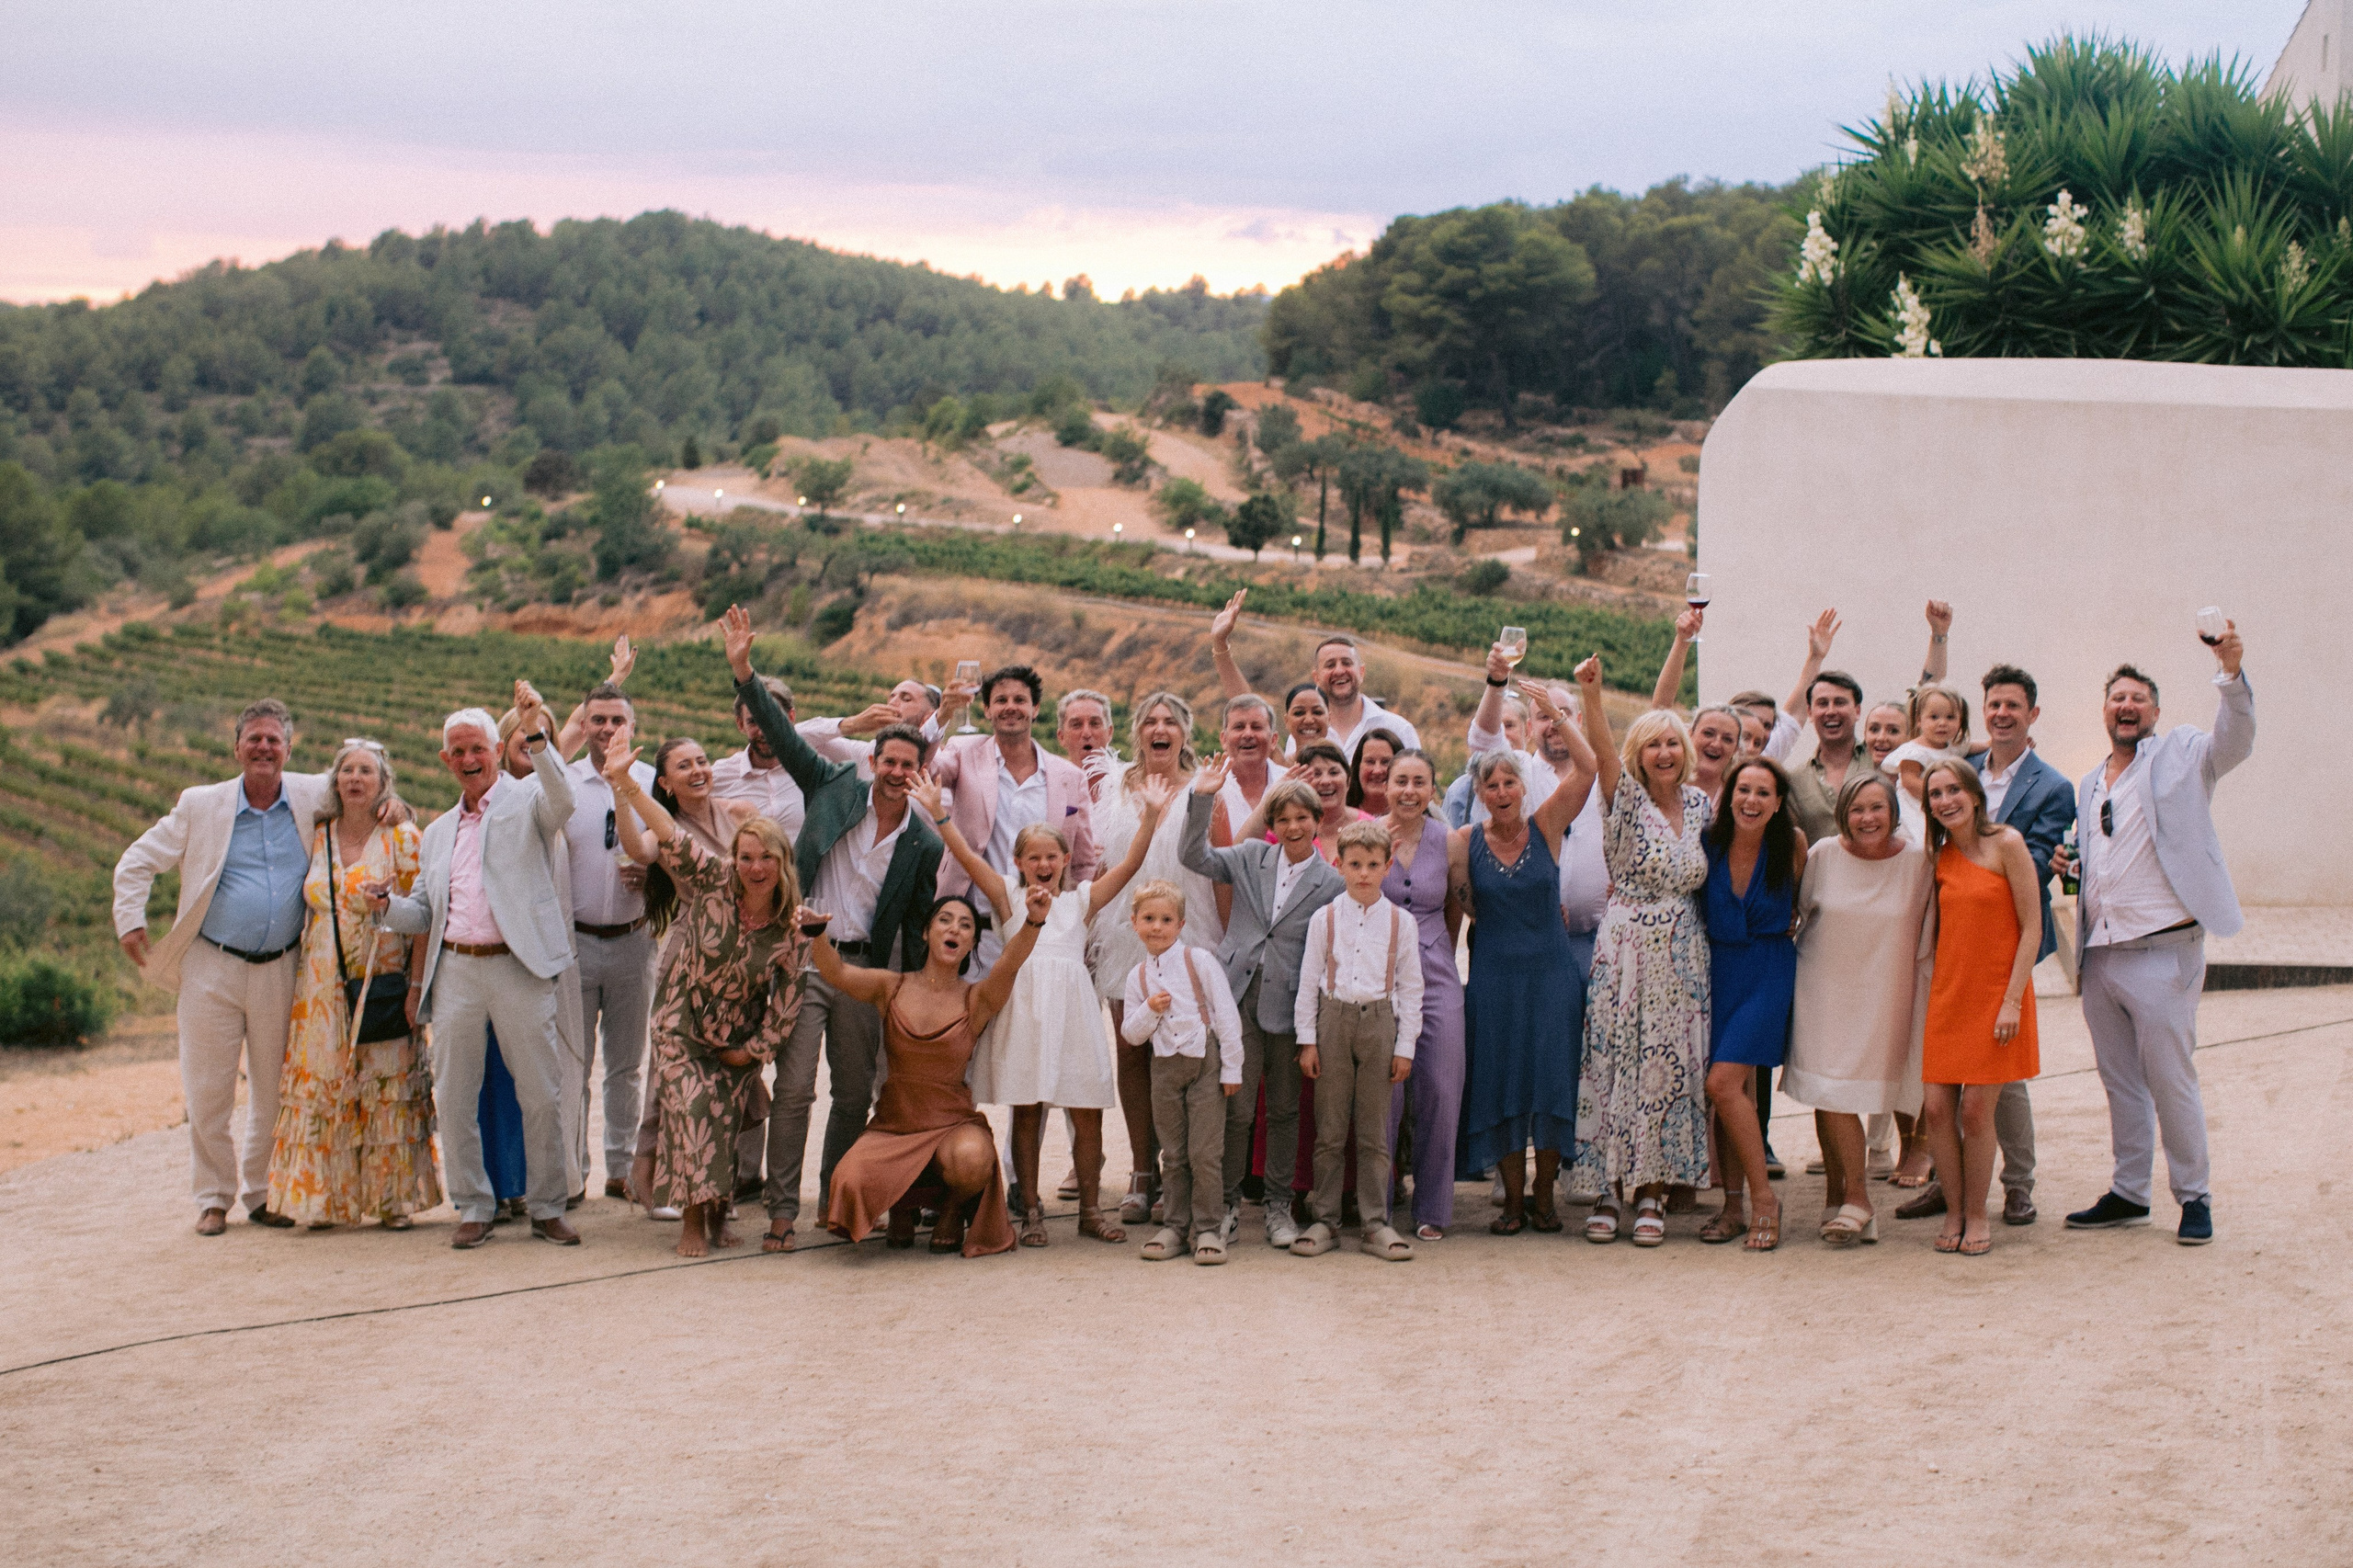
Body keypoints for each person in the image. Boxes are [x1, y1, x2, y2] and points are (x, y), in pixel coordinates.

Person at [722, 607, 943, 1255]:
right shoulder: (831, 783)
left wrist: (909, 991)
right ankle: (782, 1211)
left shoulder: (924, 844)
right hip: (804, 960)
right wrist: (744, 672)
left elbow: (917, 923)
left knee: (851, 1093)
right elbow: (784, 735)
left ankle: (835, 1202)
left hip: (862, 972)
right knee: (793, 1091)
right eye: (891, 761)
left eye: (911, 765)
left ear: (921, 772)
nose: (899, 772)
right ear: (874, 761)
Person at [918, 767, 1173, 1246]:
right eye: (1033, 856)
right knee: (1028, 1111)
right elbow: (967, 856)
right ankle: (1032, 1210)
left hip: (1073, 1012)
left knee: (1086, 1111)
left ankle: (1091, 1211)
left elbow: (1132, 865)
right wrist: (939, 814)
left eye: (1052, 856)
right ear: (1018, 861)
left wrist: (1152, 816)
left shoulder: (1082, 900)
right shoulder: (1005, 895)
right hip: (1025, 1014)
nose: (1043, 863)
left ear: (1065, 859)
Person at [115, 699, 342, 1234]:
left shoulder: (313, 793)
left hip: (284, 965)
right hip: (210, 967)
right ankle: (213, 1198)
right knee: (208, 1088)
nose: (264, 747)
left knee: (275, 1089)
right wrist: (130, 920)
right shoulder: (202, 804)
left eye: (274, 739)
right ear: (236, 747)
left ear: (290, 747)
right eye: (254, 738)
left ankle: (264, 1193)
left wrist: (395, 809)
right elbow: (138, 860)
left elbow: (369, 785)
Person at [2056, 630, 2251, 1247]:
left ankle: (2194, 1197)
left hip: (2164, 951)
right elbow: (2113, 855)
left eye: (2139, 697)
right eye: (2118, 696)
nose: (2127, 705)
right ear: (2104, 707)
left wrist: (2230, 673)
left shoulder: (2185, 754)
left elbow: (2236, 739)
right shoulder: (2090, 783)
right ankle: (2130, 1191)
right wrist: (2075, 868)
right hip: (2102, 953)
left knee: (2171, 1079)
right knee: (2120, 1081)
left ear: (2156, 711)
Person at [369, 687, 581, 1248]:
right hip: (457, 970)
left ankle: (547, 1205)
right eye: (457, 751)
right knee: (455, 1095)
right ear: (446, 760)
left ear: (494, 749)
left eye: (478, 749)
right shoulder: (437, 834)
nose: (469, 760)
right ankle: (474, 1205)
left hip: (518, 967)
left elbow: (564, 803)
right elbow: (426, 914)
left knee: (540, 1092)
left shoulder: (529, 799)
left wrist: (535, 732)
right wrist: (387, 908)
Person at [604, 739, 812, 1258]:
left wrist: (756, 1049)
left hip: (737, 1031)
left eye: (766, 859)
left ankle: (718, 1213)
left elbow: (788, 1000)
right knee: (693, 1108)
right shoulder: (714, 878)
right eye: (745, 857)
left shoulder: (791, 925)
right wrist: (627, 784)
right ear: (733, 858)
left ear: (782, 863)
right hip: (681, 1021)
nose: (754, 867)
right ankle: (692, 1225)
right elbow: (669, 835)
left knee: (724, 1115)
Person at [1904, 663, 2075, 1226]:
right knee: (1948, 1097)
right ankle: (1950, 1187)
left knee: (2001, 1090)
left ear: (2032, 714)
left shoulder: (2051, 787)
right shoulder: (1964, 769)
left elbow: (2039, 870)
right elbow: (1925, 718)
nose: (2002, 714)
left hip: (2005, 948)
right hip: (1957, 959)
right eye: (1993, 705)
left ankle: (2017, 1184)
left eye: (2013, 706)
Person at [815, 885, 1051, 1256]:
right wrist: (816, 935)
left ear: (973, 943)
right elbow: (837, 971)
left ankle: (953, 1209)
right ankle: (901, 1206)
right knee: (846, 1179)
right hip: (895, 1127)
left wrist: (1034, 920)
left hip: (951, 1126)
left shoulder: (977, 999)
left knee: (973, 1161)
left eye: (965, 925)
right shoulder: (890, 986)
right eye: (944, 921)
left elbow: (1010, 963)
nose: (954, 929)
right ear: (926, 932)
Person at [265, 739, 438, 1230]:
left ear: (384, 782)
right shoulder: (315, 834)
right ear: (335, 781)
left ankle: (391, 1200)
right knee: (329, 1085)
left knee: (385, 1082)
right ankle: (327, 1199)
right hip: (320, 986)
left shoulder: (404, 837)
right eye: (347, 771)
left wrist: (415, 986)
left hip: (381, 976)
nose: (355, 779)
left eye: (366, 771)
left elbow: (423, 916)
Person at [1570, 660, 1712, 1247]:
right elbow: (1602, 755)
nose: (1663, 752)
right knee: (1613, 1062)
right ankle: (1609, 1189)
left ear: (1685, 750)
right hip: (1626, 948)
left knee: (1668, 1068)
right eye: (1651, 743)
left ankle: (1652, 1189)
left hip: (1684, 954)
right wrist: (1592, 696)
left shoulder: (1704, 806)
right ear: (1638, 753)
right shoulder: (1623, 799)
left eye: (1671, 742)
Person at [1449, 686, 1597, 1235]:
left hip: (1552, 975)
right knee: (1500, 1083)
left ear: (1523, 786)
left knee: (1552, 1080)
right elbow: (1461, 909)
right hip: (1493, 977)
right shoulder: (1463, 841)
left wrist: (1558, 715)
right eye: (1493, 784)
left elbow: (1589, 767)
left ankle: (1545, 1190)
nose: (1503, 790)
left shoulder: (1547, 825)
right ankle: (1513, 1198)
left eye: (1511, 781)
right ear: (1481, 793)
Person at [1180, 759, 1346, 1249]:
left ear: (1317, 822)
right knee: (1236, 1106)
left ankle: (1278, 1205)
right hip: (1236, 997)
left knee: (1284, 1110)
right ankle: (1229, 1203)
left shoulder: (1332, 883)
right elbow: (1194, 856)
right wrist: (1203, 798)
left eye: (1302, 818)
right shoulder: (1250, 856)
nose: (1293, 827)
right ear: (1272, 826)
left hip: (1292, 1005)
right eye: (1284, 819)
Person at [1086, 692, 1221, 1227]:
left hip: (1190, 933)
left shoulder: (1206, 788)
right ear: (1138, 732)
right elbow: (1097, 859)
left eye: (1170, 722)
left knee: (1180, 1055)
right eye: (1150, 722)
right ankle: (1142, 1171)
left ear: (1185, 733)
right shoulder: (1113, 786)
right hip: (1125, 933)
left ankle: (1176, 1171)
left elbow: (1220, 864)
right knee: (1133, 1049)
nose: (1159, 729)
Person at [1786, 773, 1933, 1244]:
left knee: (1865, 1091)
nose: (1867, 818)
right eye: (1856, 809)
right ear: (1842, 815)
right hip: (1825, 990)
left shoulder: (1919, 861)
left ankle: (1847, 1197)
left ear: (1893, 811)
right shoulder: (1823, 855)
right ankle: (1857, 1197)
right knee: (1829, 1090)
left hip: (1888, 993)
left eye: (1876, 808)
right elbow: (1799, 911)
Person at [620, 736, 760, 1214]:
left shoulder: (740, 812)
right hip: (688, 949)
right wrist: (622, 790)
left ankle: (714, 1187)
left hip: (740, 955)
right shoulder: (666, 827)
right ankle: (649, 1173)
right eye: (685, 766)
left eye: (702, 760)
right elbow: (636, 851)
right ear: (665, 782)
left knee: (727, 1068)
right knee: (672, 1068)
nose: (699, 769)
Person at [1917, 759, 2042, 1256]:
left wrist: (2012, 1000)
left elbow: (2032, 926)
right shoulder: (1938, 855)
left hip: (1998, 997)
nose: (1945, 801)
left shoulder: (2007, 844)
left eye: (1953, 790)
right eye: (1935, 795)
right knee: (1935, 1109)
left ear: (1974, 794)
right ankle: (1952, 1208)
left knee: (1974, 1111)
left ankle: (1976, 1212)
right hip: (1949, 995)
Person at [1292, 820, 1423, 1261]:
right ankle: (1325, 1217)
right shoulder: (1323, 918)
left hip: (1380, 1023)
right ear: (1339, 865)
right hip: (1333, 1020)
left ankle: (1374, 1222)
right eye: (1354, 864)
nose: (1363, 873)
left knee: (1374, 1131)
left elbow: (1411, 987)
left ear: (1387, 866)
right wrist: (1307, 1040)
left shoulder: (1401, 923)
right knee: (1329, 1130)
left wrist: (1405, 1046)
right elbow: (1308, 980)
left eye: (1372, 864)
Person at [927, 663, 1099, 976]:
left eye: (1019, 700)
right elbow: (925, 770)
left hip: (1040, 933)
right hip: (973, 932)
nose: (1010, 707)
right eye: (1001, 700)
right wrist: (941, 718)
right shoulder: (963, 752)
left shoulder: (1070, 777)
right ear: (987, 710)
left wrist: (1077, 926)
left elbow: (1084, 862)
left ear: (1035, 709)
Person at [557, 679, 660, 1204]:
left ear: (632, 727)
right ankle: (572, 1171)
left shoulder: (650, 783)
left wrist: (653, 878)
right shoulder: (565, 784)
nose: (607, 729)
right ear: (585, 724)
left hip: (634, 941)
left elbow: (671, 852)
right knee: (571, 1063)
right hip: (573, 944)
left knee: (625, 1065)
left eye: (617, 720)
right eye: (598, 720)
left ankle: (620, 1169)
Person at [1698, 757, 1806, 1250]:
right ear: (1729, 794)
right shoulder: (1708, 844)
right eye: (1744, 790)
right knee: (1734, 1094)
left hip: (1767, 970)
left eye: (1763, 793)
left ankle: (1764, 1201)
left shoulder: (1793, 847)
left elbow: (1805, 906)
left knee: (1722, 1084)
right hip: (1715, 971)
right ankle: (1733, 1207)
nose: (1751, 801)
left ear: (1778, 802)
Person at [1121, 881, 1246, 1264]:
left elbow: (1226, 1015)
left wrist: (1232, 1069)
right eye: (1148, 919)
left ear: (1180, 924)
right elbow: (1131, 1033)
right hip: (1165, 1068)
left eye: (1165, 920)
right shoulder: (1137, 976)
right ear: (1134, 922)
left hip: (1205, 1064)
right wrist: (1150, 1010)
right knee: (1173, 1153)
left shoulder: (1199, 961)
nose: (1156, 927)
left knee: (1205, 1152)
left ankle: (1208, 1228)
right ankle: (1175, 1226)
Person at [1380, 749, 1464, 1240]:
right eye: (1400, 781)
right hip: (1378, 972)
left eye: (1419, 782)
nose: (1409, 791)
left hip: (1434, 968)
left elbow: (1455, 904)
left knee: (1439, 1085)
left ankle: (1433, 1205)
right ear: (1386, 787)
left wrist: (1442, 956)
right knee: (1384, 1093)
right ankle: (1381, 1203)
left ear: (1433, 789)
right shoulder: (1367, 831)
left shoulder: (1448, 840)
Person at [710, 675, 809, 840]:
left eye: (773, 719)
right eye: (753, 722)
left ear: (791, 717)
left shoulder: (815, 769)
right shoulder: (718, 777)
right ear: (740, 724)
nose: (764, 731)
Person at [796, 678, 946, 781]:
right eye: (891, 697)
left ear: (929, 717)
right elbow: (795, 737)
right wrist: (854, 723)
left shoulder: (942, 759)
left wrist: (944, 715)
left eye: (906, 699)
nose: (893, 702)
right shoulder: (867, 752)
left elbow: (928, 738)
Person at [1886, 685, 1972, 844]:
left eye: (1950, 717)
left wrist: (1992, 743)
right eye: (1934, 717)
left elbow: (1975, 746)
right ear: (1919, 720)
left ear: (1960, 720)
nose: (1942, 723)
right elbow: (1909, 781)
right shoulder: (1915, 751)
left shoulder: (1953, 747)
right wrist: (1936, 794)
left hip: (1941, 805)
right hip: (1916, 806)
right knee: (1920, 841)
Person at [1347, 730, 1398, 818]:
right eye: (1370, 762)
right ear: (1358, 766)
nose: (1377, 771)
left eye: (1385, 762)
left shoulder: (1416, 815)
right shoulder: (1339, 813)